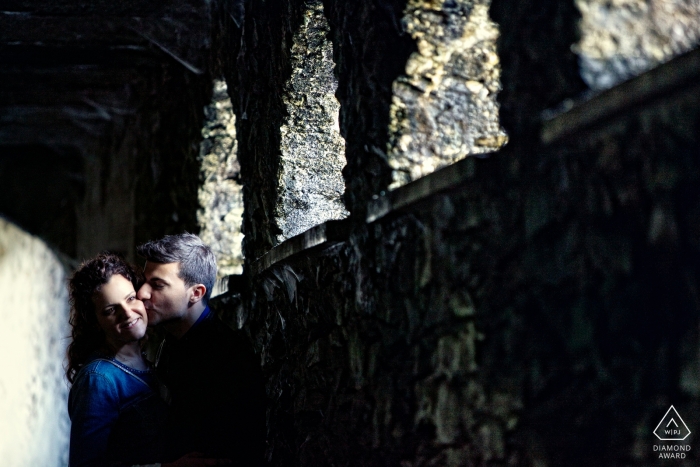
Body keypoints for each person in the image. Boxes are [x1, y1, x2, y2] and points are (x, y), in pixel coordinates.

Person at [136, 233, 265, 466]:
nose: (141, 293)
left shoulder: (227, 356)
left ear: (196, 293)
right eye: (144, 282)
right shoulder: (173, 342)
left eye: (157, 285)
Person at [66, 253, 168, 467]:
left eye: (131, 298)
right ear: (95, 322)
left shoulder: (151, 360)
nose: (128, 313)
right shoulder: (98, 380)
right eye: (111, 310)